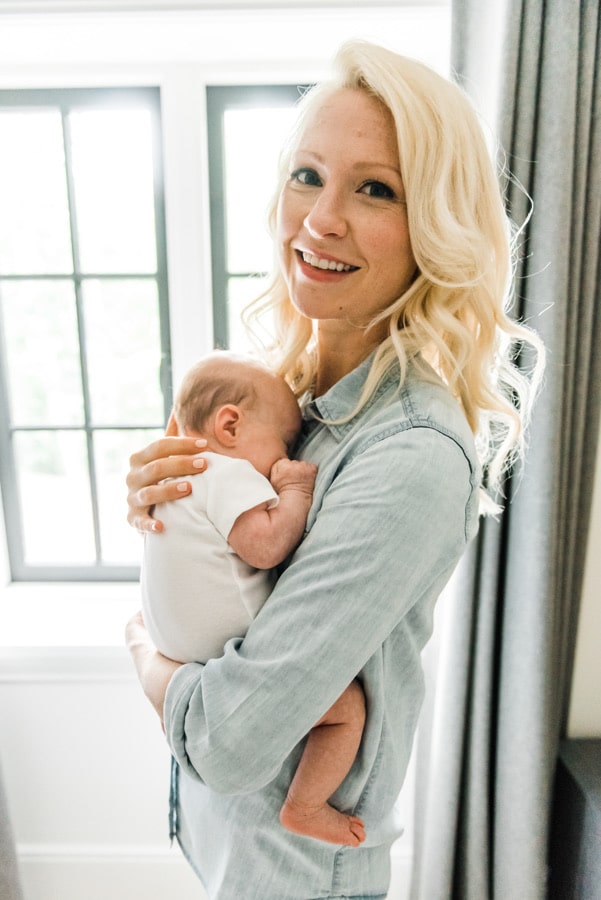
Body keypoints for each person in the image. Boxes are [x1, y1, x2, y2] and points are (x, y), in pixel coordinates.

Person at [125, 39, 544, 900]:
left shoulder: (411, 456)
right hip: (230, 847)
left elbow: (231, 741)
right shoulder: (288, 400)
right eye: (307, 175)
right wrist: (163, 514)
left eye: (375, 189)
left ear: (435, 227)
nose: (320, 219)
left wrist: (142, 648)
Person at [140, 350, 367, 846]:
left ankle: (178, 719)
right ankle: (305, 806)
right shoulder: (226, 473)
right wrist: (296, 494)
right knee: (348, 708)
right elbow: (264, 547)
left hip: (170, 643)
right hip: (216, 642)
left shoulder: (171, 479)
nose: (286, 456)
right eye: (285, 441)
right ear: (230, 426)